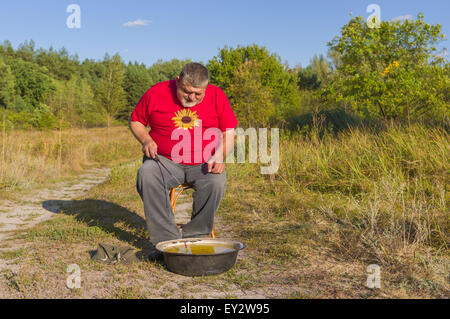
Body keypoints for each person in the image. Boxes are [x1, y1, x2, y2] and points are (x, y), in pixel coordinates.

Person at [129, 63, 238, 258]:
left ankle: (197, 234)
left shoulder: (217, 95)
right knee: (146, 173)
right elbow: (136, 120)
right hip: (164, 161)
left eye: (198, 94)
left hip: (204, 163)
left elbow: (228, 132)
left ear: (206, 87)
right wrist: (146, 140)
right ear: (178, 81)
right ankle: (167, 241)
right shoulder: (156, 92)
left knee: (216, 180)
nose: (192, 98)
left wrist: (219, 155)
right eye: (187, 92)